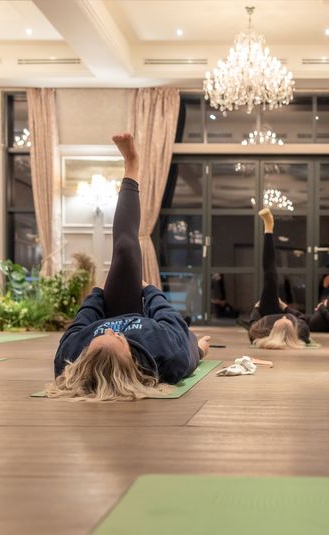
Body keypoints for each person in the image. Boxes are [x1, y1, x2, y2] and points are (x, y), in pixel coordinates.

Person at [49, 133, 210, 401]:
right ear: (131, 361)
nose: (113, 330)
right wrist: (150, 292)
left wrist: (97, 294)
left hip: (111, 305)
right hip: (151, 318)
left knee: (124, 249)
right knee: (191, 343)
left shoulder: (69, 358)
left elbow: (80, 325)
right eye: (118, 338)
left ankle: (131, 165)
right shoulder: (167, 356)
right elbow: (173, 325)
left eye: (103, 335)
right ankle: (133, 164)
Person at [247, 207, 312, 349]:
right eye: (287, 320)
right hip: (279, 310)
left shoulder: (259, 332)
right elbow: (301, 318)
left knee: (270, 278)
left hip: (264, 311)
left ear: (273, 330)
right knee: (271, 277)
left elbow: (252, 322)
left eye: (280, 320)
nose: (283, 317)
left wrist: (256, 308)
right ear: (292, 330)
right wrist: (285, 308)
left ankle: (268, 228)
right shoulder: (301, 331)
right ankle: (269, 228)